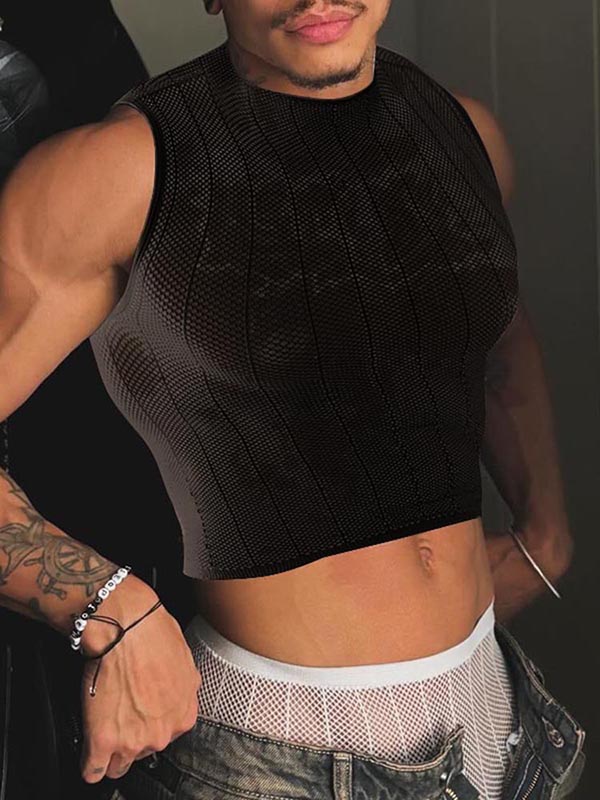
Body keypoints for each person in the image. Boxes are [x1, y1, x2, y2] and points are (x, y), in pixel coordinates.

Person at [0, 2, 586, 800]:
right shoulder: (119, 173)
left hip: (505, 731)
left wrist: (547, 532)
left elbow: (497, 347)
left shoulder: (464, 134)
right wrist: (106, 606)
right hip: (278, 758)